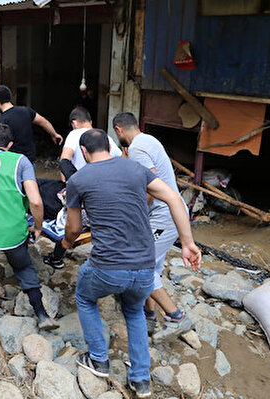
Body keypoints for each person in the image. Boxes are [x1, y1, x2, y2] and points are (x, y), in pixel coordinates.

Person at [61, 129, 201, 398]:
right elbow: (173, 197)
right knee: (134, 311)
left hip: (107, 267)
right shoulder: (136, 169)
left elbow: (74, 228)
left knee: (85, 296)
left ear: (84, 153)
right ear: (110, 148)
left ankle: (99, 359)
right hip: (145, 268)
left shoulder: (78, 179)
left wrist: (67, 243)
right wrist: (187, 243)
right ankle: (141, 379)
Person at [0, 123, 58, 344]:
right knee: (24, 267)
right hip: (12, 231)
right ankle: (42, 315)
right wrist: (38, 226)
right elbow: (35, 200)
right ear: (11, 144)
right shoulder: (20, 161)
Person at [113, 112, 193, 341]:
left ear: (119, 130)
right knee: (152, 265)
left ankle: (176, 316)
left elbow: (150, 189)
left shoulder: (137, 149)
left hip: (164, 216)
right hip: (169, 213)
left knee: (142, 266)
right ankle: (148, 315)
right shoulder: (149, 140)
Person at [42, 107, 125, 269]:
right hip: (102, 200)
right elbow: (121, 161)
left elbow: (64, 159)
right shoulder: (105, 137)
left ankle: (56, 257)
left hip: (81, 197)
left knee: (62, 213)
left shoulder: (75, 134)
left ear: (74, 123)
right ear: (91, 122)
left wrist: (73, 184)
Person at [0, 85, 63, 164]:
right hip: (29, 161)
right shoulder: (26, 111)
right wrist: (54, 134)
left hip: (13, 164)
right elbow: (43, 122)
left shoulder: (0, 122)